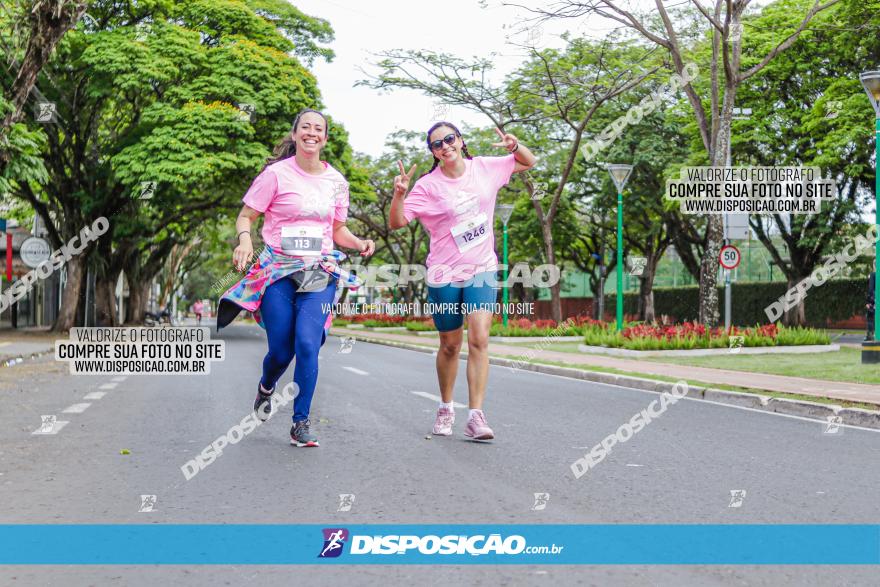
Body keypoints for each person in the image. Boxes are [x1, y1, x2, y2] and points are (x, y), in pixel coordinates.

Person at [216, 109, 374, 447]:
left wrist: (359, 243)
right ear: (295, 134)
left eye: (319, 129)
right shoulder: (275, 175)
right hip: (278, 271)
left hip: (319, 271)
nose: (312, 133)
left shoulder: (337, 182)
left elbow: (337, 230)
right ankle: (266, 387)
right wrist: (245, 240)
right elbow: (246, 216)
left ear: (325, 138)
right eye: (306, 127)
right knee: (281, 350)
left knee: (307, 345)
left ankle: (300, 422)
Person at [389, 122, 535, 440]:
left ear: (460, 140)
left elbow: (527, 162)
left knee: (479, 339)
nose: (445, 146)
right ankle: (445, 407)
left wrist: (514, 145)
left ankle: (476, 416)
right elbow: (397, 222)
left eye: (450, 139)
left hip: (481, 267)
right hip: (444, 272)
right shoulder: (427, 186)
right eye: (437, 144)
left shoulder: (484, 168)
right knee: (451, 345)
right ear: (433, 152)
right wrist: (399, 195)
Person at [867, 271, 875, 342]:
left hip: (875, 301)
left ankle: (870, 336)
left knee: (870, 317)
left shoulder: (873, 274)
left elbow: (870, 289)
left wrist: (869, 302)